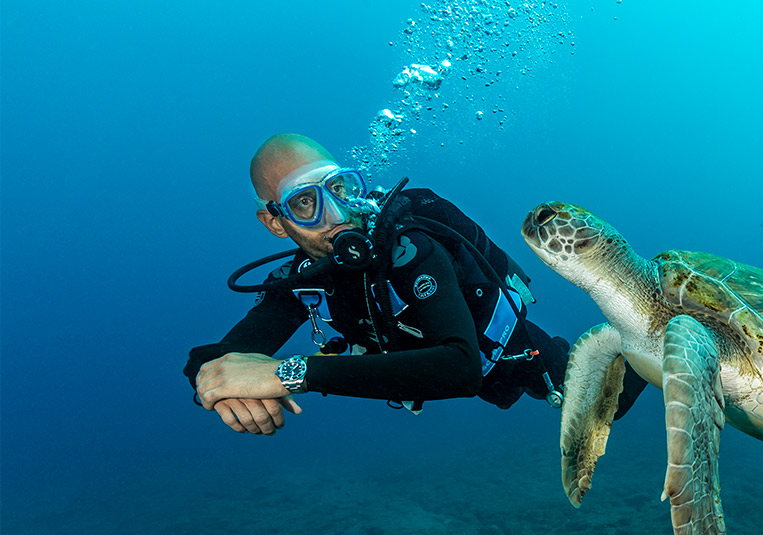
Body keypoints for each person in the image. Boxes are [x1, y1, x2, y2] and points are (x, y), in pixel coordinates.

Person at [184, 133, 572, 434]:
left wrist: (284, 374)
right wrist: (216, 385)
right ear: (274, 222)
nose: (337, 215)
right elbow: (216, 358)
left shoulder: (408, 247)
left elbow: (462, 368)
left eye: (339, 189)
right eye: (305, 202)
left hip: (516, 353)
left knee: (607, 398)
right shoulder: (302, 282)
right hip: (433, 371)